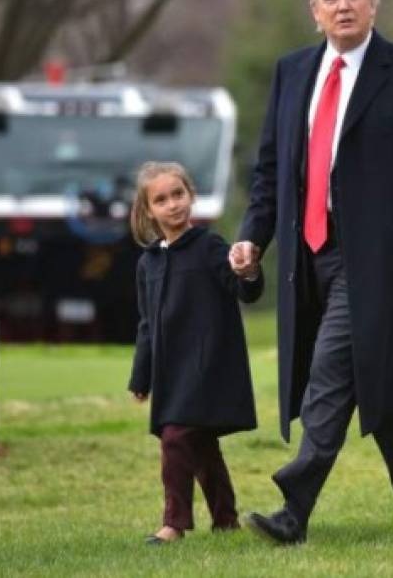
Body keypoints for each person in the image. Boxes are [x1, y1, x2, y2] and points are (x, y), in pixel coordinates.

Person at [229, 0, 393, 544]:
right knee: (382, 387)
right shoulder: (292, 73)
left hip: (379, 258)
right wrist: (250, 235)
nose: (344, 6)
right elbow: (271, 169)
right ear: (315, 13)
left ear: (373, 5)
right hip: (303, 256)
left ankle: (294, 508)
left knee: (331, 373)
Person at [127, 161, 263, 544]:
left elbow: (244, 291)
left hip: (208, 366)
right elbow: (147, 325)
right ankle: (225, 520)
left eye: (178, 194)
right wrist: (141, 376)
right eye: (161, 199)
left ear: (191, 196)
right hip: (172, 371)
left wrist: (248, 271)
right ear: (147, 210)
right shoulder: (148, 263)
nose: (172, 204)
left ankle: (174, 523)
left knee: (175, 437)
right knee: (200, 444)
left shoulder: (210, 246)